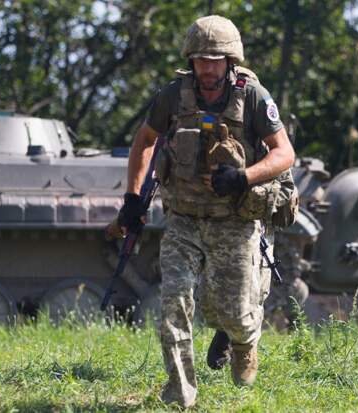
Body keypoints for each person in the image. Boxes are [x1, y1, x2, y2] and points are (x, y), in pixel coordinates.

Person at [117, 15, 295, 408]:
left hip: (234, 219)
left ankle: (245, 340)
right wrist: (132, 198)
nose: (208, 67)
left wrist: (245, 177)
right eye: (201, 60)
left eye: (215, 60)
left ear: (230, 61)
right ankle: (181, 396)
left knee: (231, 312)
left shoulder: (252, 96)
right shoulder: (172, 96)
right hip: (182, 220)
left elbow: (285, 153)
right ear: (191, 61)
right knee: (173, 305)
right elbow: (144, 141)